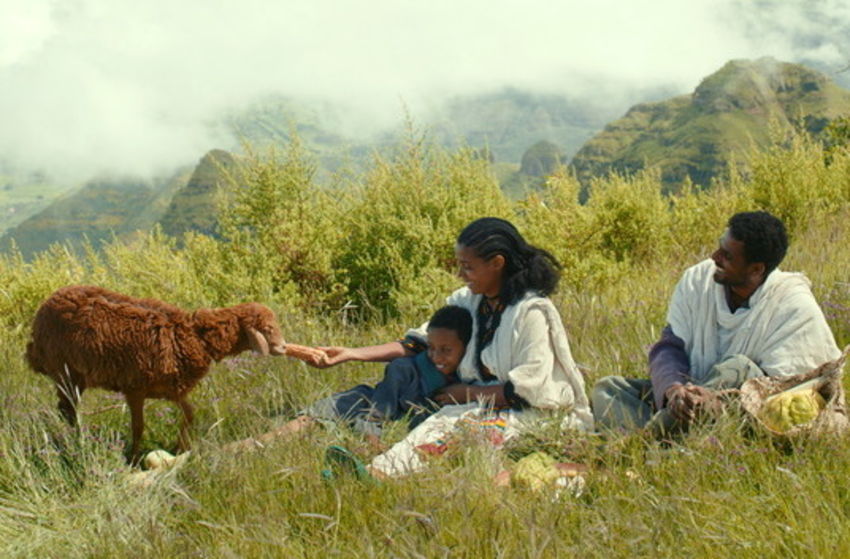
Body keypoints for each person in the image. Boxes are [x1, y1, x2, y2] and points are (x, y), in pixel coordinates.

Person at [317, 217, 594, 477]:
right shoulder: (469, 301)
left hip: (529, 413)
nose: (461, 274)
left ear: (497, 263)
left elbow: (530, 390)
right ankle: (373, 473)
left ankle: (382, 476)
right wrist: (352, 354)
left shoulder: (530, 312)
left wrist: (467, 393)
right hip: (473, 404)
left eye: (468, 267)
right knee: (436, 426)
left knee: (461, 433)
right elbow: (419, 343)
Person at [591, 211, 841, 434]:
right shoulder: (697, 280)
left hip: (737, 409)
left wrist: (714, 398)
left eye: (727, 256)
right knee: (608, 388)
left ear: (756, 270)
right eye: (719, 248)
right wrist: (673, 389)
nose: (714, 257)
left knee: (737, 366)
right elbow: (670, 346)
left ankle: (645, 440)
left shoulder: (792, 304)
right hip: (686, 395)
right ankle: (666, 436)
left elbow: (790, 388)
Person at [302, 305, 472, 439]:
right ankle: (279, 437)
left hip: (411, 418)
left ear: (467, 348)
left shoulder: (467, 380)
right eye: (431, 348)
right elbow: (379, 409)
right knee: (340, 404)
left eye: (446, 350)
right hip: (383, 403)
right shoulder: (405, 370)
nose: (436, 357)